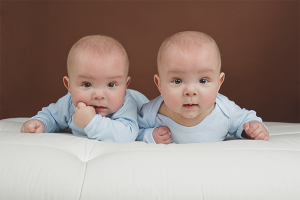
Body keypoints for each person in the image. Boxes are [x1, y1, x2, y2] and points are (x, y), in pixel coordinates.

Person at [137, 31, 269, 144]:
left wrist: (253, 129)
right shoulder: (152, 112)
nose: (190, 91)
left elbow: (246, 120)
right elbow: (135, 130)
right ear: (159, 84)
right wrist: (150, 135)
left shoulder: (225, 111)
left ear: (219, 82)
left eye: (203, 80)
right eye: (177, 81)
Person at [21, 35, 148, 142]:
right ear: (69, 86)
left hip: (147, 113)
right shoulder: (69, 103)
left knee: (153, 126)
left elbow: (127, 134)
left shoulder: (126, 103)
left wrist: (91, 122)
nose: (98, 95)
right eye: (87, 84)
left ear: (126, 85)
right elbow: (52, 116)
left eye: (111, 85)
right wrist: (41, 122)